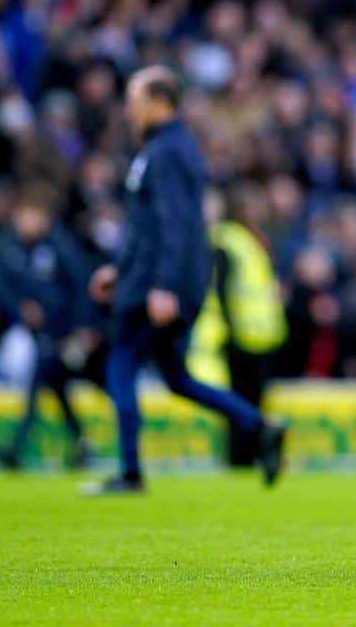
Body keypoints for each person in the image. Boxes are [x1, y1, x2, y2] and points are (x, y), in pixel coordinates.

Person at [87, 66, 286, 493]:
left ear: (161, 102)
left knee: (120, 364)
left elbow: (174, 225)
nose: (128, 108)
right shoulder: (167, 149)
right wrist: (117, 270)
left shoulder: (168, 152)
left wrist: (164, 286)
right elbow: (149, 226)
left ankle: (130, 472)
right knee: (176, 378)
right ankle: (259, 424)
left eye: (134, 98)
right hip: (151, 279)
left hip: (154, 286)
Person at [0, 184, 99, 469]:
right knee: (53, 386)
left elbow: (79, 288)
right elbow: (0, 287)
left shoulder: (60, 248)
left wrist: (80, 328)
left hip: (62, 335)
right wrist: (20, 308)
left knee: (42, 382)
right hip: (38, 336)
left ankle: (17, 447)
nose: (23, 222)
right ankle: (82, 445)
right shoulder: (12, 249)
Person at [187, 185, 288, 467]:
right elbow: (221, 290)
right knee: (241, 403)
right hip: (241, 337)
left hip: (260, 337)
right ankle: (239, 460)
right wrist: (229, 331)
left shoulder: (250, 240)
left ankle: (251, 456)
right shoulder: (229, 242)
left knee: (252, 402)